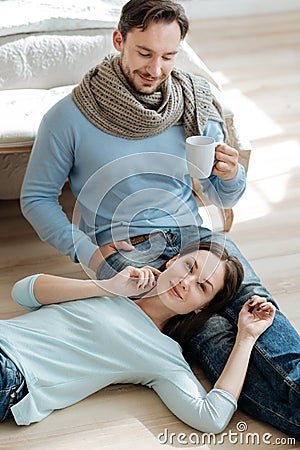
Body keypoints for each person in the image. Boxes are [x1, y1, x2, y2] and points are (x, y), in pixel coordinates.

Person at [20, 0, 300, 439]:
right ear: (119, 41)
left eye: (169, 56)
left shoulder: (194, 103)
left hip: (197, 240)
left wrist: (231, 174)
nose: (156, 69)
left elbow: (223, 194)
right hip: (128, 252)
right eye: (145, 53)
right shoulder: (69, 116)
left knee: (262, 313)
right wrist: (87, 250)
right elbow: (35, 198)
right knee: (213, 338)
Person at [1, 241, 275, 433]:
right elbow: (22, 292)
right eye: (189, 267)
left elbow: (212, 417)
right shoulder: (111, 288)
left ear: (201, 307)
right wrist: (108, 287)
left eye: (201, 286)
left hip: (13, 374)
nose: (186, 282)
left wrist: (246, 337)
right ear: (172, 261)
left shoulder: (162, 353)